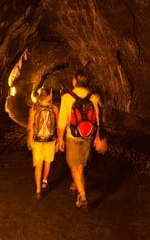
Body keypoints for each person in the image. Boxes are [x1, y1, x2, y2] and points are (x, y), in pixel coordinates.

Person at [57, 70, 107, 211]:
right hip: (88, 136)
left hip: (72, 137)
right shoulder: (93, 97)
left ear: (74, 81)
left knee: (75, 168)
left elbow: (62, 122)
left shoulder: (67, 97)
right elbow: (97, 120)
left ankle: (83, 196)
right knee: (80, 168)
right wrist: (97, 138)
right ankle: (77, 188)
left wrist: (60, 139)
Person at [27, 88, 59, 199]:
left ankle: (38, 190)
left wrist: (30, 140)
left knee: (38, 165)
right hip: (50, 140)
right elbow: (58, 125)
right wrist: (59, 140)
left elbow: (30, 126)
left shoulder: (34, 108)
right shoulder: (54, 108)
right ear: (48, 97)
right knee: (48, 162)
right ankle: (44, 180)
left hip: (37, 140)